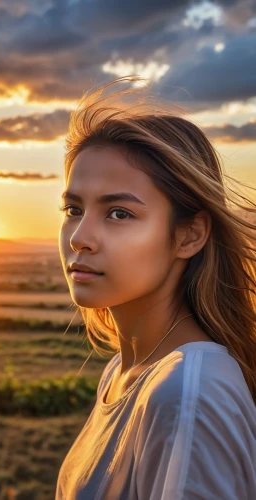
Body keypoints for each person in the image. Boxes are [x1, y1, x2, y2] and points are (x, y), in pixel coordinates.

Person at [55, 76, 256, 499]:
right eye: (74, 208)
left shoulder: (190, 393)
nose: (79, 236)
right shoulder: (123, 372)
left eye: (119, 213)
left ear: (189, 235)